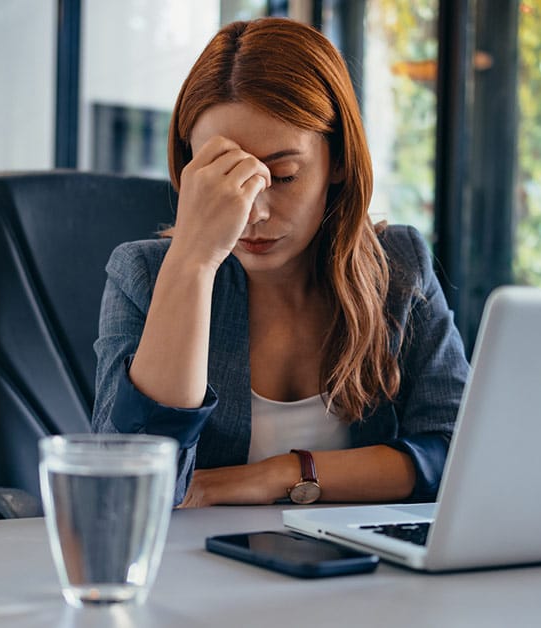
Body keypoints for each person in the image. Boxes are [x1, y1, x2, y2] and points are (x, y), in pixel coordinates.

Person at [91, 17, 469, 508]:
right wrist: (193, 264)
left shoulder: (399, 265)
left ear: (338, 162)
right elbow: (124, 486)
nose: (254, 212)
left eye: (283, 175)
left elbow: (456, 452)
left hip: (358, 573)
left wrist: (283, 474)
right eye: (225, 176)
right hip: (190, 575)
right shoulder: (144, 274)